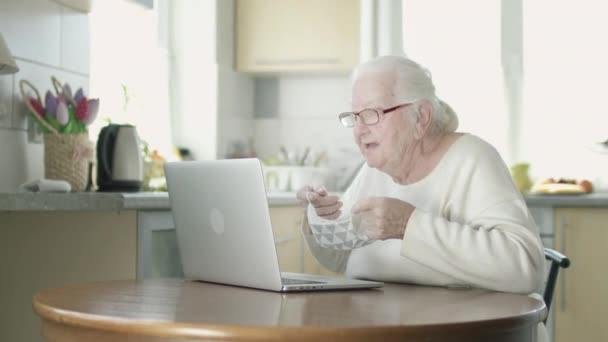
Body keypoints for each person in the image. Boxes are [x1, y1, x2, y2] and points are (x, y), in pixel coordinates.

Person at [296, 55, 547, 339]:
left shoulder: (471, 158)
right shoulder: (374, 171)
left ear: (421, 117)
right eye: (354, 116)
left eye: (372, 113)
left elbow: (525, 268)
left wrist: (409, 226)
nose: (359, 129)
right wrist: (317, 219)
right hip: (385, 331)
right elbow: (342, 259)